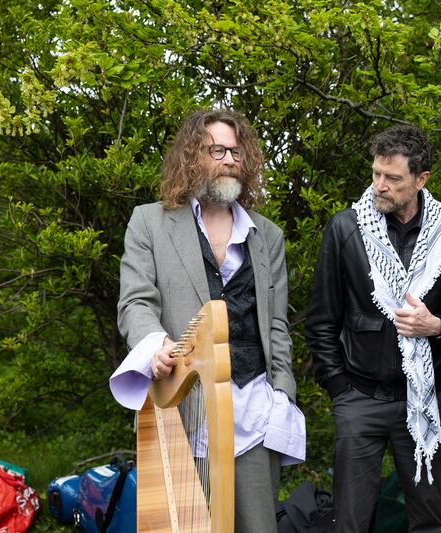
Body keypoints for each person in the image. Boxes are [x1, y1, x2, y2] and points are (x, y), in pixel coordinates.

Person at [109, 109, 305, 532]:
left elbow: (276, 325)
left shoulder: (267, 235)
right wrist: (156, 346)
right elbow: (135, 302)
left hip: (255, 411)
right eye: (217, 150)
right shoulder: (150, 222)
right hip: (184, 409)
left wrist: (282, 393)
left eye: (236, 151)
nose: (230, 159)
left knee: (259, 526)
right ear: (193, 156)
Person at [306, 124, 441, 532]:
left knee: (427, 521)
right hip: (359, 398)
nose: (380, 185)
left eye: (393, 178)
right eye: (376, 174)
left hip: (424, 400)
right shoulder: (346, 228)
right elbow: (322, 320)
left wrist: (437, 325)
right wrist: (339, 389)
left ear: (421, 180)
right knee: (350, 521)